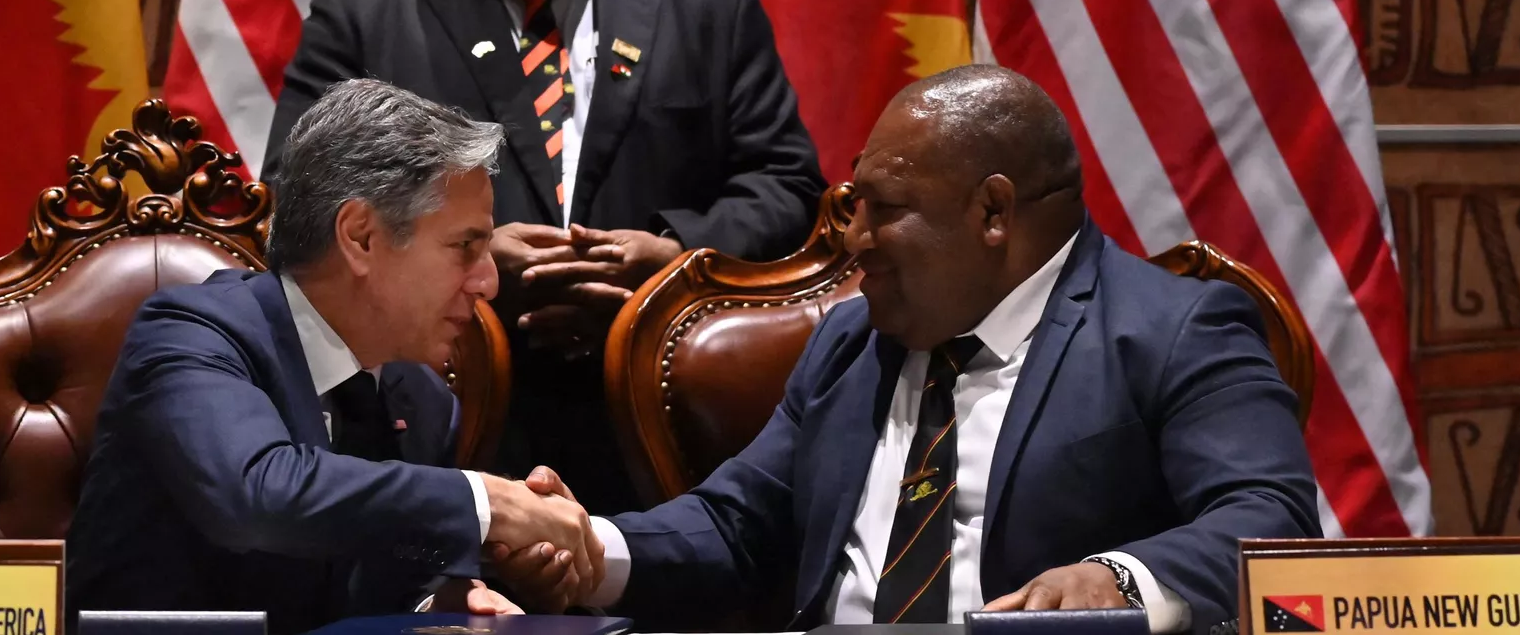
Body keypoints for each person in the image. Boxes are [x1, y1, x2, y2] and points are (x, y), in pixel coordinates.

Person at [494, 65, 1321, 632]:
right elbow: (737, 521)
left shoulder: (1176, 329)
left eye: (881, 207)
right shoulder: (855, 338)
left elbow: (1269, 519)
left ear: (992, 213)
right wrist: (588, 548)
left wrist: (1119, 580)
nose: (849, 238)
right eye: (849, 204)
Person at [265, 0, 826, 513]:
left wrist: (673, 257)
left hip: (671, 431)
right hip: (436, 423)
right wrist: (460, 255)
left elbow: (784, 184)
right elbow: (298, 199)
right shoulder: (364, 4)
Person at [67, 80, 604, 634]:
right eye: (464, 247)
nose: (488, 282)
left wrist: (450, 599)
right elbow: (257, 497)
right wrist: (486, 499)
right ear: (361, 237)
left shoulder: (423, 402)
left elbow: (393, 572)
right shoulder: (195, 335)